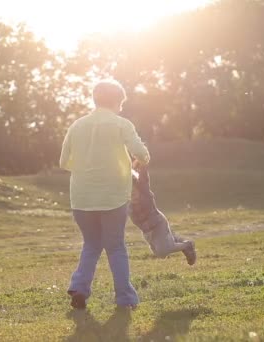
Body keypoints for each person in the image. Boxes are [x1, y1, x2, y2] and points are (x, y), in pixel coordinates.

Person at [60, 79, 150, 310]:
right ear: (118, 102)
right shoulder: (121, 124)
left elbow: (63, 162)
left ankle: (79, 287)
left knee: (91, 244)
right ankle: (126, 299)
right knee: (116, 246)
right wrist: (140, 160)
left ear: (95, 99)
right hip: (113, 197)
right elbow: (141, 152)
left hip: (81, 198)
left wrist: (87, 171)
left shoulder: (76, 126)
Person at [130, 162, 196, 264]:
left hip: (158, 224)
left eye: (134, 192)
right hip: (147, 231)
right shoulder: (126, 202)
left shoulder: (145, 192)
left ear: (138, 188)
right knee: (159, 253)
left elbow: (144, 177)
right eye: (129, 194)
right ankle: (175, 239)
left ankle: (187, 245)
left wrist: (142, 162)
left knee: (163, 252)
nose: (132, 195)